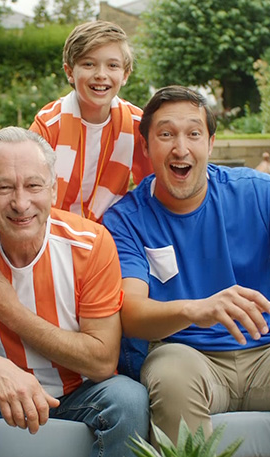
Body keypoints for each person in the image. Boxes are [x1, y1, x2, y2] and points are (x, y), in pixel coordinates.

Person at [0, 127, 149, 457]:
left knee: (129, 399)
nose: (20, 202)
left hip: (81, 392)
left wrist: (10, 311)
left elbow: (101, 362)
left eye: (33, 185)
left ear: (53, 189)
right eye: (2, 187)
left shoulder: (90, 244)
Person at [103, 85, 270, 445]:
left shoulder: (258, 193)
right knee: (172, 372)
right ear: (146, 147)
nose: (181, 148)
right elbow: (130, 314)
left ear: (210, 143)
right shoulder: (125, 220)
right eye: (166, 134)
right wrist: (197, 310)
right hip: (189, 356)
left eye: (194, 133)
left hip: (265, 353)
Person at [0, 20, 153, 265]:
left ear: (125, 74)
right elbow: (10, 182)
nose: (101, 74)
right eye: (88, 64)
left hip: (110, 239)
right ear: (69, 71)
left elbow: (153, 188)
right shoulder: (50, 124)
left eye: (112, 65)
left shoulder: (136, 124)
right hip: (51, 236)